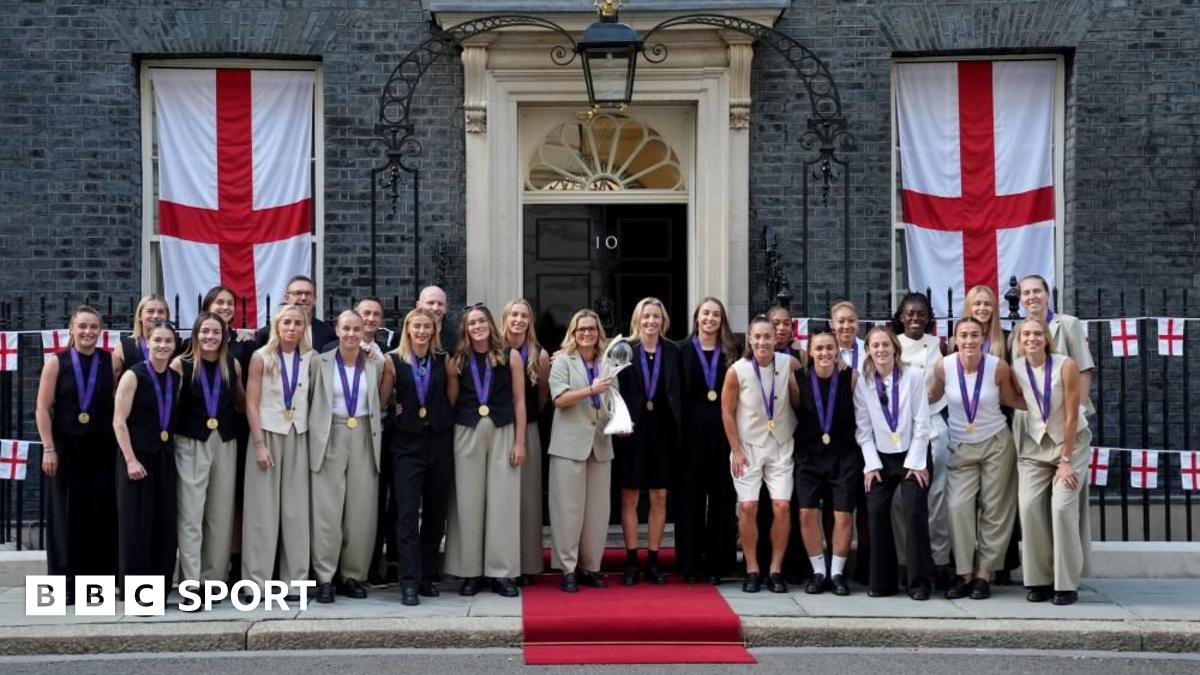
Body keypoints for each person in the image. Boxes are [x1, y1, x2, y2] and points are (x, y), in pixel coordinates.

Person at [928, 317, 1025, 600]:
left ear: (983, 338)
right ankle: (963, 573)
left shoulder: (998, 367)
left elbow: (1011, 400)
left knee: (994, 510)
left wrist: (1049, 406)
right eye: (963, 335)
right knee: (957, 508)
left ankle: (984, 575)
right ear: (955, 339)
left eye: (974, 335)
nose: (969, 341)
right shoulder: (943, 366)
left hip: (996, 444)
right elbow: (931, 396)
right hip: (961, 447)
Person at [35, 305, 119, 604]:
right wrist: (48, 448)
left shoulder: (110, 362)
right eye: (82, 326)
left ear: (100, 331)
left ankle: (97, 584)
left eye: (93, 327)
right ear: (72, 329)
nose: (88, 332)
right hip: (65, 447)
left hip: (101, 448)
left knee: (99, 514)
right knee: (64, 515)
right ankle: (64, 584)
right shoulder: (56, 362)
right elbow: (43, 409)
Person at [443, 304, 527, 597]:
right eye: (471, 323)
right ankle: (470, 572)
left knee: (502, 503)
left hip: (503, 430)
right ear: (465, 329)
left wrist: (520, 442)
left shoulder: (510, 356)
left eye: (481, 321)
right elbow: (452, 401)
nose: (477, 326)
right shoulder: (457, 361)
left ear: (491, 324)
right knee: (467, 504)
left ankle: (500, 573)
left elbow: (519, 401)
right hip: (467, 432)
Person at [379, 307, 458, 605]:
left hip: (438, 440)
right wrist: (398, 407)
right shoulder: (393, 360)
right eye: (417, 326)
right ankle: (408, 581)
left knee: (436, 513)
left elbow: (451, 398)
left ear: (434, 329)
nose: (422, 331)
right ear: (407, 329)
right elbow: (383, 400)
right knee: (408, 512)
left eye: (427, 326)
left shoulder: (444, 359)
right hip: (407, 445)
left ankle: (427, 575)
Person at [1010, 316, 1090, 606]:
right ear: (1019, 341)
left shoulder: (1065, 365)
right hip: (1036, 446)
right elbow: (1015, 398)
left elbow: (1071, 415)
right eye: (1025, 335)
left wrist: (1066, 460)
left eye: (1037, 334)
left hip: (1071, 445)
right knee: (1029, 506)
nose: (1031, 339)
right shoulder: (1016, 368)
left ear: (1046, 338)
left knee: (1061, 508)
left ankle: (1066, 583)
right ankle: (1039, 580)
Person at [308, 310, 384, 603]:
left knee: (360, 510)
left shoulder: (374, 364)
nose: (352, 334)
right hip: (331, 434)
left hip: (363, 433)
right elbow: (311, 398)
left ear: (364, 330)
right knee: (327, 511)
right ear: (337, 331)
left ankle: (353, 575)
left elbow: (383, 399)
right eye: (346, 329)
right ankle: (325, 577)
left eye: (357, 328)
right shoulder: (320, 363)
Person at [854, 326, 934, 600]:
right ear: (868, 350)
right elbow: (863, 429)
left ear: (895, 348)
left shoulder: (913, 376)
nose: (880, 350)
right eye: (875, 345)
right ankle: (882, 582)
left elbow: (923, 423)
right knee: (876, 510)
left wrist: (916, 462)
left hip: (914, 453)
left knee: (913, 511)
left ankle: (920, 582)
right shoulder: (862, 382)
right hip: (881, 456)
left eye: (885, 345)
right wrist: (871, 465)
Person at [721, 315, 799, 593]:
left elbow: (806, 391)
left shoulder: (789, 363)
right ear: (750, 339)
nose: (763, 342)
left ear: (775, 338)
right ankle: (752, 567)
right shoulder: (737, 371)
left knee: (782, 507)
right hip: (748, 447)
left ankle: (775, 569)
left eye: (768, 336)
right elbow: (727, 412)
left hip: (780, 445)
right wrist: (736, 450)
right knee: (748, 507)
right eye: (758, 337)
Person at [170, 312, 244, 594]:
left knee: (220, 514)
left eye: (216, 332)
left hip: (224, 442)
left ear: (224, 335)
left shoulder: (231, 364)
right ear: (196, 334)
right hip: (190, 441)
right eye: (205, 332)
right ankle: (191, 580)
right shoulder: (181, 364)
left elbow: (239, 401)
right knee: (191, 513)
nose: (210, 337)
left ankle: (214, 580)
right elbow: (170, 405)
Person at [243, 304, 314, 595]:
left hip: (299, 434)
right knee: (262, 511)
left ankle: (296, 581)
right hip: (268, 435)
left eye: (298, 323)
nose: (292, 328)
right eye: (287, 322)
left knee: (297, 511)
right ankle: (256, 582)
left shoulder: (312, 358)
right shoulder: (261, 357)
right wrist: (259, 443)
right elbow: (250, 402)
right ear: (277, 325)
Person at [613, 297, 682, 586]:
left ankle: (653, 560)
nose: (651, 321)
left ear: (663, 320)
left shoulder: (674, 351)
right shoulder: (624, 350)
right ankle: (631, 561)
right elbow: (611, 388)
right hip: (632, 431)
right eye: (646, 316)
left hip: (663, 433)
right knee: (629, 496)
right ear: (637, 320)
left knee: (659, 496)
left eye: (656, 316)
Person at [547, 309, 616, 593]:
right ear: (573, 333)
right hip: (569, 445)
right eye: (581, 329)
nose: (587, 334)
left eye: (592, 329)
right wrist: (591, 389)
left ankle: (592, 567)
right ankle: (568, 568)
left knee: (597, 512)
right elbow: (559, 399)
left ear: (599, 333)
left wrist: (619, 420)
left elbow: (614, 399)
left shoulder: (608, 363)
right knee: (568, 511)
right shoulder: (562, 361)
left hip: (600, 444)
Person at [113, 320, 181, 591]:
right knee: (136, 526)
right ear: (148, 343)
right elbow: (119, 421)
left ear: (174, 346)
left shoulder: (175, 377)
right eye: (158, 340)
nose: (163, 345)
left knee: (164, 523)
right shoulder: (134, 375)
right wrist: (130, 459)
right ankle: (136, 591)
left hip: (164, 455)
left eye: (168, 341)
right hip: (137, 456)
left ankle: (160, 588)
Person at [676, 297, 740, 584]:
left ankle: (718, 562)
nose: (710, 319)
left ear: (721, 320)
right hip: (691, 430)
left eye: (715, 314)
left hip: (723, 427)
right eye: (705, 313)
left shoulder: (731, 352)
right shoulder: (682, 350)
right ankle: (689, 563)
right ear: (697, 317)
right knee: (690, 496)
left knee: (721, 497)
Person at [794, 330, 860, 596]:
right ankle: (818, 571)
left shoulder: (850, 377)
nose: (824, 353)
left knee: (843, 515)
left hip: (843, 455)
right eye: (819, 348)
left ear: (837, 351)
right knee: (807, 513)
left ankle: (837, 573)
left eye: (829, 348)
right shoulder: (796, 380)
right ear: (809, 351)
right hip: (809, 456)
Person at [893, 292, 951, 587]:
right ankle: (906, 561)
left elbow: (940, 386)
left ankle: (940, 562)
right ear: (901, 316)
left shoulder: (938, 346)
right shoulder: (892, 345)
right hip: (899, 429)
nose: (915, 318)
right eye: (909, 313)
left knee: (938, 496)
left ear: (929, 318)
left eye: (921, 314)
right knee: (901, 501)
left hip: (933, 425)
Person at [501, 299, 551, 584]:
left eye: (524, 315)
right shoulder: (495, 350)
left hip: (528, 429)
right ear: (506, 318)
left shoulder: (539, 355)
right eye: (514, 315)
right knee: (502, 498)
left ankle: (527, 562)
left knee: (527, 498)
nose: (518, 320)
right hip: (499, 428)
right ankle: (503, 559)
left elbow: (542, 394)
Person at [254, 275, 336, 350]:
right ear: (286, 298)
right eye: (298, 293)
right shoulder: (265, 334)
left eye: (308, 294)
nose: (303, 298)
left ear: (314, 299)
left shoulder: (328, 332)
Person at [114, 295, 170, 374]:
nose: (156, 316)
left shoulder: (176, 346)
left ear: (167, 316)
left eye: (161, 312)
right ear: (140, 315)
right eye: (150, 311)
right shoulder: (124, 347)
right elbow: (114, 380)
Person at [830, 301, 866, 370]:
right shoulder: (825, 352)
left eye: (851, 320)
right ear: (832, 324)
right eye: (841, 321)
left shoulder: (868, 350)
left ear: (858, 322)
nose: (846, 326)